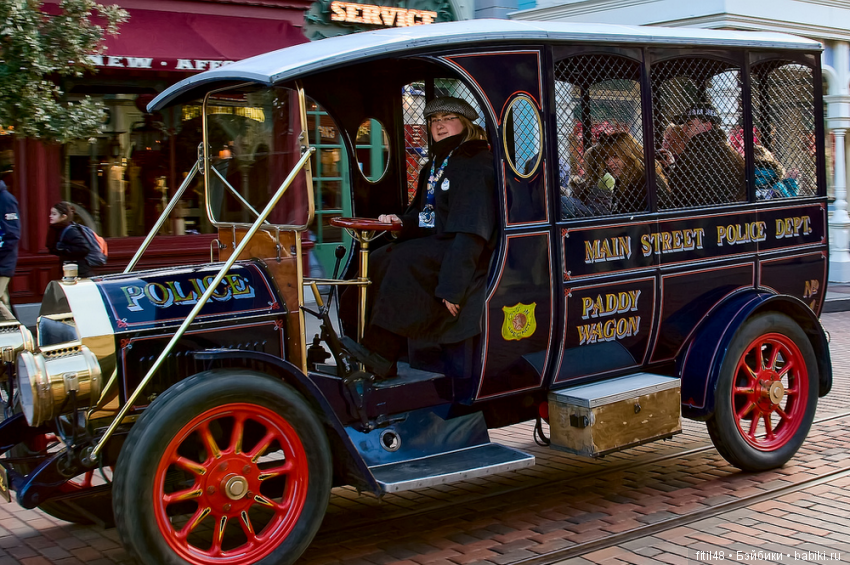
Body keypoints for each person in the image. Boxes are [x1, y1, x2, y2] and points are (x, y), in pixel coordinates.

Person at [343, 96, 497, 378]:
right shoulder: (437, 163)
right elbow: (432, 217)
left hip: (462, 250)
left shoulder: (476, 162)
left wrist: (452, 288)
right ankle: (361, 344)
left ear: (465, 123)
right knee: (378, 259)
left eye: (447, 119)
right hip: (440, 242)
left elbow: (471, 230)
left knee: (404, 261)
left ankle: (382, 353)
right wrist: (401, 222)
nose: (439, 126)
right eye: (434, 120)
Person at [667, 104, 745, 207]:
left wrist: (667, 172)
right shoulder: (733, 155)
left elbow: (675, 195)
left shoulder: (691, 158)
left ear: (707, 126)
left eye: (689, 125)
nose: (684, 130)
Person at [581, 132, 668, 214]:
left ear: (629, 156)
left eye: (615, 156)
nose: (609, 163)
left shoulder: (646, 181)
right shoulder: (620, 181)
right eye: (606, 158)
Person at [46, 202, 93, 278]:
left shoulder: (71, 231)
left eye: (54, 214)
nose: (50, 216)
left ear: (64, 217)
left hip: (78, 271)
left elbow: (84, 248)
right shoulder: (57, 229)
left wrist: (63, 247)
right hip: (69, 270)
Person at [0, 160, 20, 319]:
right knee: (3, 300)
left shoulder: (6, 199)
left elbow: (12, 234)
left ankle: (21, 333)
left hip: (3, 262)